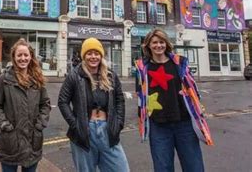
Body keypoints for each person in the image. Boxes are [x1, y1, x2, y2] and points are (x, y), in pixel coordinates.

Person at [135, 28, 213, 172]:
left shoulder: (179, 63)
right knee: (162, 167)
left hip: (184, 124)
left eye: (161, 42)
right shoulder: (142, 68)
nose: (158, 45)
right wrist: (143, 116)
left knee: (194, 166)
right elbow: (140, 95)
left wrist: (198, 105)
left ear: (166, 44)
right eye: (154, 42)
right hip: (159, 126)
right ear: (148, 45)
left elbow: (192, 87)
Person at [58, 37, 129, 172]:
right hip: (84, 133)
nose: (93, 57)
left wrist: (118, 124)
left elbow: (119, 99)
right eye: (89, 53)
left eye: (96, 53)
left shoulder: (111, 76)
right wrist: (76, 125)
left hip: (107, 130)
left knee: (121, 168)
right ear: (84, 55)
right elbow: (63, 101)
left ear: (101, 55)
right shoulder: (74, 76)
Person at [0, 38, 51, 172]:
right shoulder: (4, 79)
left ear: (31, 57)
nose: (23, 58)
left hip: (33, 141)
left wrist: (40, 124)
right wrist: (4, 124)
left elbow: (45, 104)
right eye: (19, 55)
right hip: (10, 141)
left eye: (26, 55)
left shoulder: (37, 79)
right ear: (13, 57)